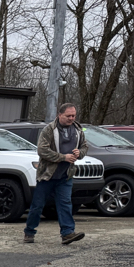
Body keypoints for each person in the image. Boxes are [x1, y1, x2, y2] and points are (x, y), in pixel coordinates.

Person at [24, 102, 87, 245]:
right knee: (38, 205)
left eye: (74, 115)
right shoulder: (49, 130)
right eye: (68, 116)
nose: (71, 118)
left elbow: (84, 146)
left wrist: (80, 153)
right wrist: (63, 157)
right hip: (47, 175)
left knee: (65, 204)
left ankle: (67, 233)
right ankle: (29, 231)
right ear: (59, 115)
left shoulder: (78, 129)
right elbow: (42, 150)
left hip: (66, 175)